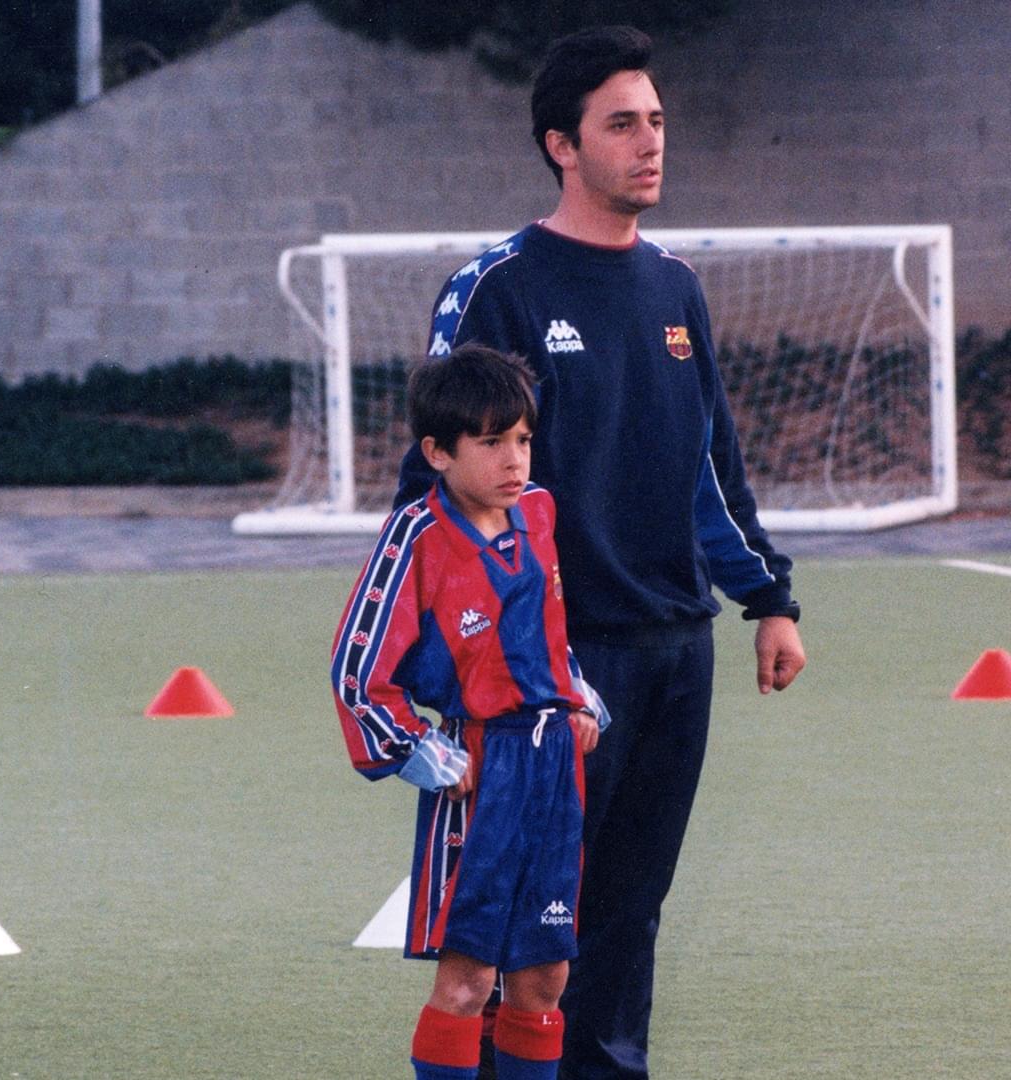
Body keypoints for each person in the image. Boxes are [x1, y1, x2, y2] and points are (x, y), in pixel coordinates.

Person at [397, 25, 807, 1080]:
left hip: (677, 646)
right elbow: (429, 491)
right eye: (622, 123)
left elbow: (709, 463)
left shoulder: (675, 288)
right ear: (561, 146)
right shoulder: (497, 289)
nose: (650, 142)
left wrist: (766, 596)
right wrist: (455, 660)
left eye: (657, 121)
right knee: (525, 929)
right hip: (548, 668)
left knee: (630, 910)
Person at [332, 344, 610, 1080]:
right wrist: (417, 747)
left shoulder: (539, 516)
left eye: (522, 439)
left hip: (553, 768)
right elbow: (357, 672)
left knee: (544, 979)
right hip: (480, 772)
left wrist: (573, 694)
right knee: (468, 982)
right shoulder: (415, 537)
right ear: (438, 452)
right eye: (491, 443)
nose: (515, 460)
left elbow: (547, 632)